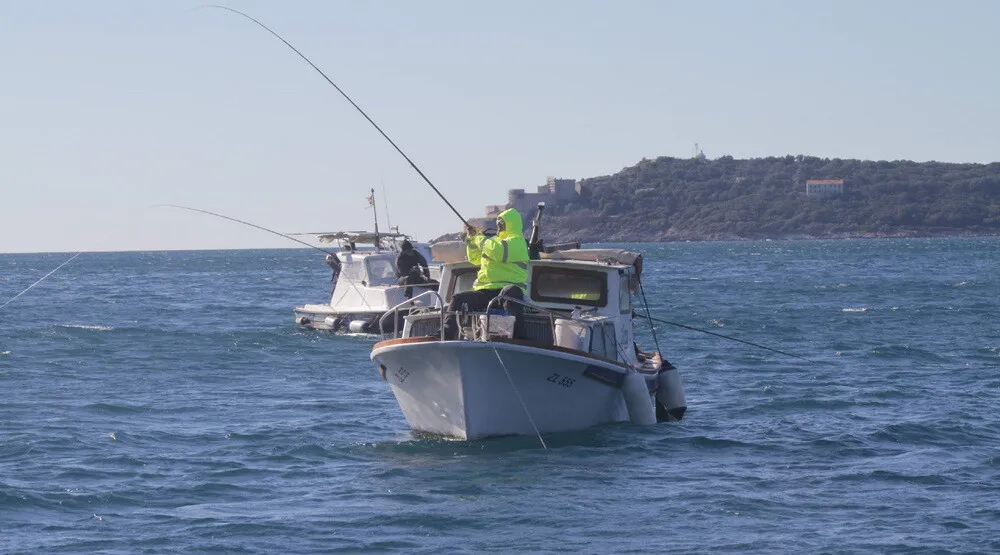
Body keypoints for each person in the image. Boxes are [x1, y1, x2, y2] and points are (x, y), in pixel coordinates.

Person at [443, 209, 530, 339]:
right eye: (498, 224)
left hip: (508, 293)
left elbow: (497, 251)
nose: (499, 226)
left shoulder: (518, 241)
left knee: (510, 292)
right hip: (486, 293)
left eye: (502, 224)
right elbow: (475, 259)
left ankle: (518, 338)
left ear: (510, 224)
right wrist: (471, 240)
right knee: (458, 299)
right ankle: (444, 335)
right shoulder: (493, 242)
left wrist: (478, 237)